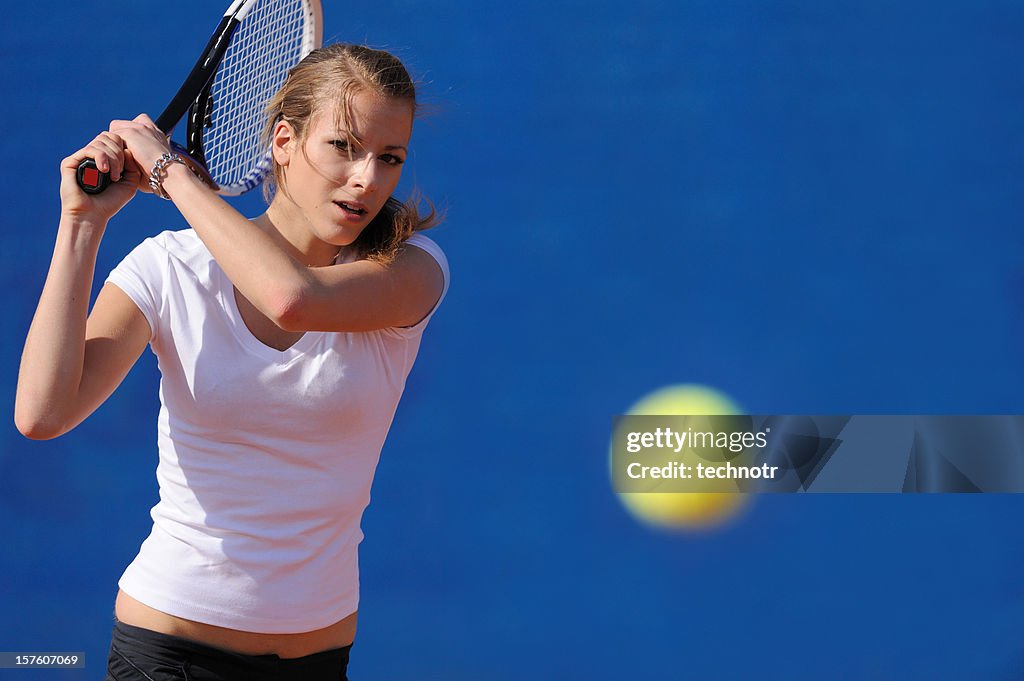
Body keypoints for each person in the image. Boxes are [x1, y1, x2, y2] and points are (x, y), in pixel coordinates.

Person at [15, 43, 448, 681]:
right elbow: (42, 414)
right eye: (344, 147)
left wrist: (171, 172)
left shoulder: (411, 271)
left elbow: (291, 299)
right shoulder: (168, 268)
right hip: (166, 653)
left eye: (390, 158)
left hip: (319, 661)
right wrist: (80, 224)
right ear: (282, 142)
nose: (367, 178)